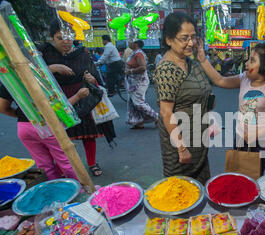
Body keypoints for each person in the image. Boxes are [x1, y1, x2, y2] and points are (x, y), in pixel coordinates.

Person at [197, 42, 265, 176]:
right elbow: (220, 80)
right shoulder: (244, 79)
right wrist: (203, 60)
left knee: (253, 178)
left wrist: (256, 133)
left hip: (260, 143)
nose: (246, 63)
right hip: (240, 138)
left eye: (252, 60)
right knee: (237, 175)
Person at [39, 20, 116, 177]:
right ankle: (63, 167)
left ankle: (92, 163)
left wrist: (90, 79)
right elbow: (32, 74)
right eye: (60, 38)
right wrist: (51, 68)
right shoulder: (45, 53)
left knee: (88, 135)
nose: (66, 42)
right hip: (58, 100)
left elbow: (95, 77)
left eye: (68, 37)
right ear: (52, 38)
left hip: (82, 97)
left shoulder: (81, 53)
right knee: (61, 137)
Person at [153, 12, 213, 185]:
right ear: (169, 40)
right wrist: (182, 148)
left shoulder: (190, 63)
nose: (191, 43)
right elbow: (166, 113)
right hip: (180, 147)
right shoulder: (167, 69)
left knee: (200, 191)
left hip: (198, 141)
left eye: (193, 37)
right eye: (184, 38)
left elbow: (213, 84)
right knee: (181, 192)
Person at [0, 85, 79, 181]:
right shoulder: (40, 74)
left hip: (24, 126)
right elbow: (59, 106)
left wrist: (24, 116)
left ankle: (55, 190)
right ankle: (82, 188)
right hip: (46, 123)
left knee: (44, 165)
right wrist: (78, 96)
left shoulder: (8, 79)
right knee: (66, 160)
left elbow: (2, 107)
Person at [125, 40, 159, 129]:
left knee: (138, 102)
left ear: (136, 44)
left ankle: (157, 117)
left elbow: (143, 67)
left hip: (139, 82)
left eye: (131, 42)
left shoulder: (138, 54)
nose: (129, 43)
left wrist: (130, 71)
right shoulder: (134, 53)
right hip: (133, 82)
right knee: (132, 102)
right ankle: (138, 122)